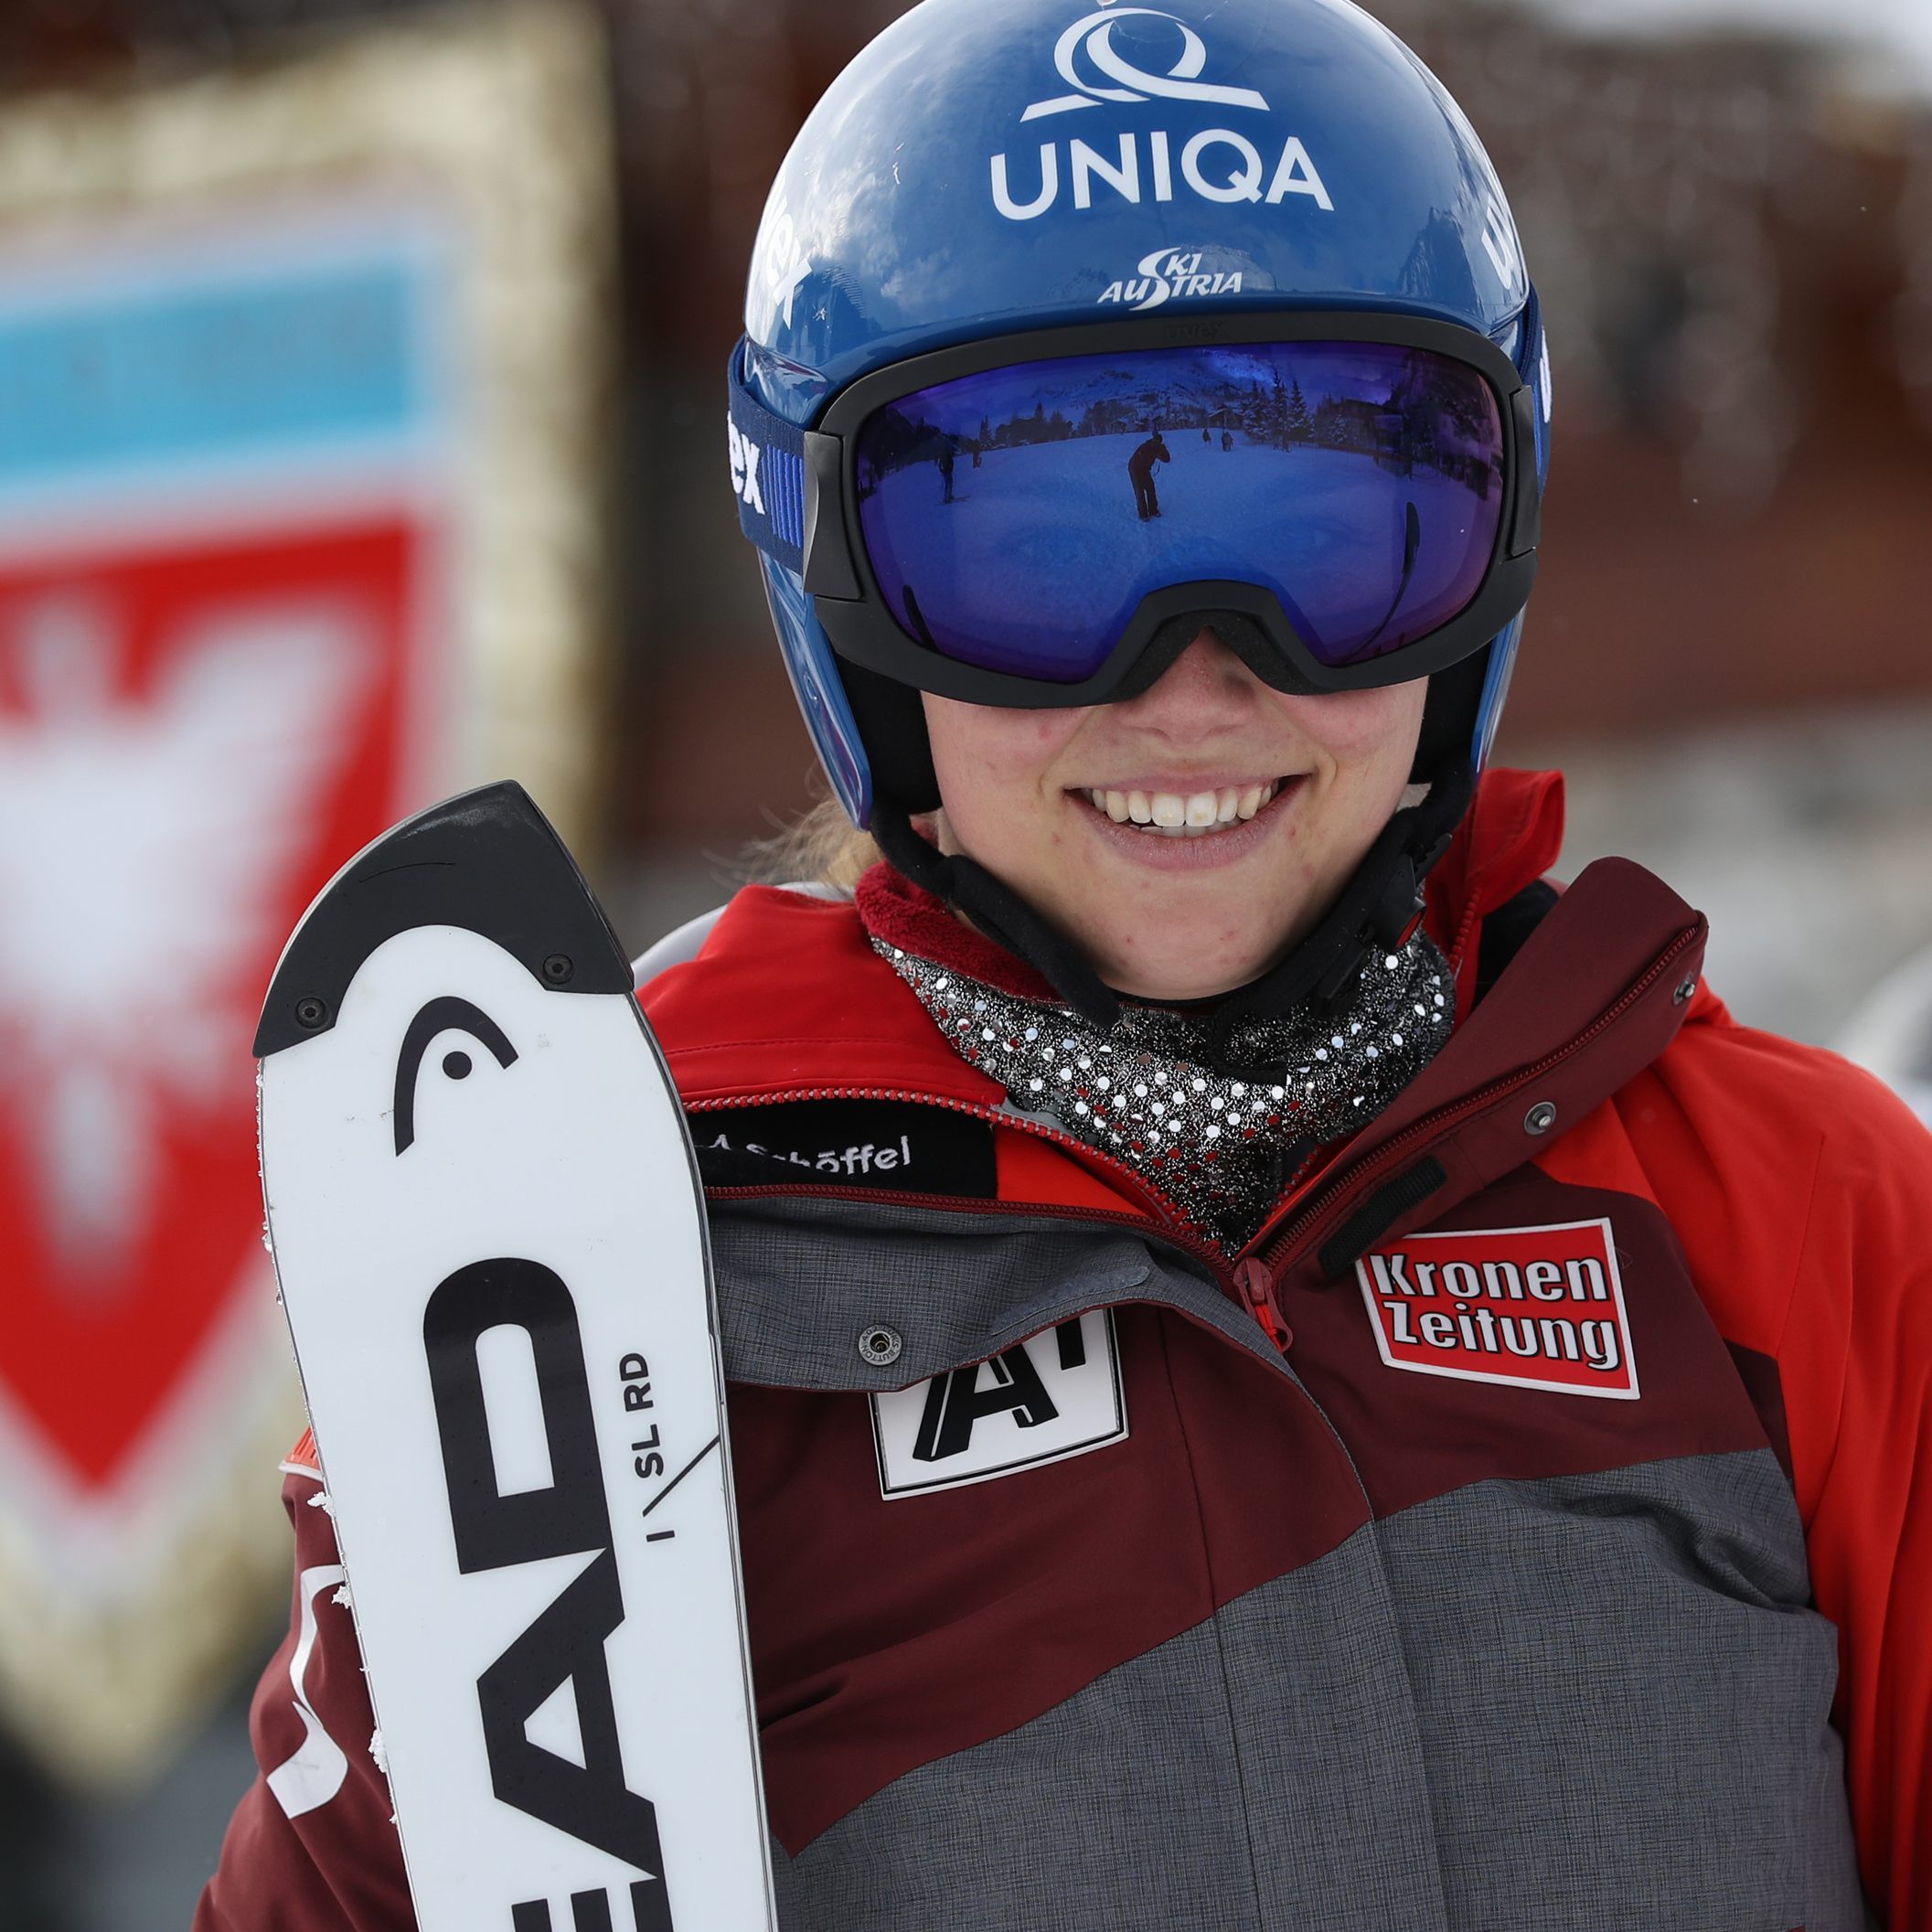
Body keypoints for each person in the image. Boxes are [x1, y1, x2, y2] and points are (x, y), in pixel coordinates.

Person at [198, 0, 1930, 1925]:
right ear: (842, 600)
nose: (1192, 685)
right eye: (1028, 553)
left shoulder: (1786, 1212)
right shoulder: (606, 1295)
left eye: (1326, 529)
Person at [1127, 426, 1169, 519]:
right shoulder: (1145, 447)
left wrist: (1164, 450)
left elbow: (1167, 459)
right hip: (1134, 469)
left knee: (1151, 488)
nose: (1156, 444)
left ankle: (1153, 510)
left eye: (1158, 443)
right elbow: (1145, 458)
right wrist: (1158, 452)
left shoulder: (1158, 448)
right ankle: (1143, 514)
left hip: (1144, 469)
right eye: (1155, 442)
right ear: (1153, 441)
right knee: (1140, 491)